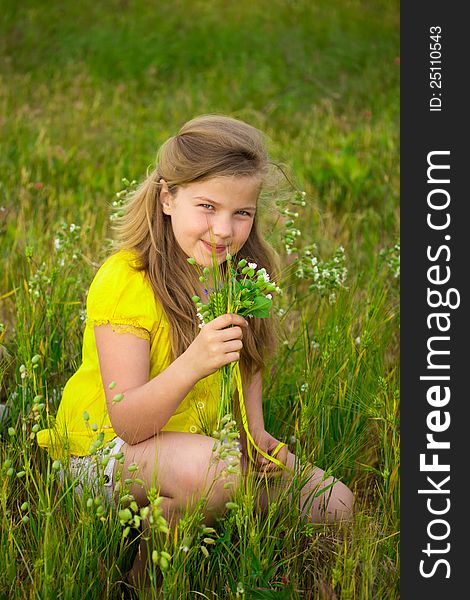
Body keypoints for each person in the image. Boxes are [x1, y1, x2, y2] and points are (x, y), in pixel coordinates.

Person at [37, 114, 353, 586]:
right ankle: (144, 577)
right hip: (104, 453)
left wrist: (258, 435)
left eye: (241, 213)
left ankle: (173, 517)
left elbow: (248, 364)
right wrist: (193, 362)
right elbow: (129, 422)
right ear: (167, 198)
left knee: (336, 505)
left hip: (199, 449)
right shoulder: (128, 279)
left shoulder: (239, 276)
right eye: (207, 206)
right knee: (221, 471)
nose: (223, 230)